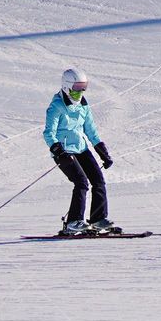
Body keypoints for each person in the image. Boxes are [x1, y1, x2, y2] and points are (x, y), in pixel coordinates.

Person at [43, 68, 115, 235]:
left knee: (98, 180)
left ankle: (98, 220)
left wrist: (102, 151)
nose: (80, 91)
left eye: (84, 87)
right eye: (77, 87)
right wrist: (57, 150)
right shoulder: (56, 106)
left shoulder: (83, 105)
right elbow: (49, 133)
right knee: (81, 182)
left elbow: (91, 131)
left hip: (81, 149)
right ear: (67, 86)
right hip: (64, 152)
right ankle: (73, 222)